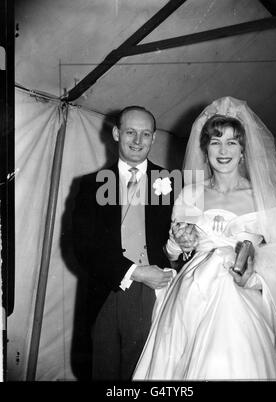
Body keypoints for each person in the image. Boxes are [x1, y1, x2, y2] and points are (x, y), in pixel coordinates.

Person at [133, 96, 276, 380]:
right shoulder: (190, 195)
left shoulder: (262, 198)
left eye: (232, 142)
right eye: (215, 142)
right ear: (205, 148)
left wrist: (252, 276)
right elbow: (174, 255)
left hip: (243, 298)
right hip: (190, 297)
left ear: (244, 151)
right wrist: (178, 243)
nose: (223, 150)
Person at [72, 106, 176, 380]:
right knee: (102, 372)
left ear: (154, 138)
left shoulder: (171, 182)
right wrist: (135, 272)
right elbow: (82, 245)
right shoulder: (90, 184)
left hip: (154, 294)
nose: (138, 141)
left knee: (144, 373)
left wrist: (182, 246)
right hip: (106, 290)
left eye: (145, 134)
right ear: (117, 133)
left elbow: (183, 248)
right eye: (131, 132)